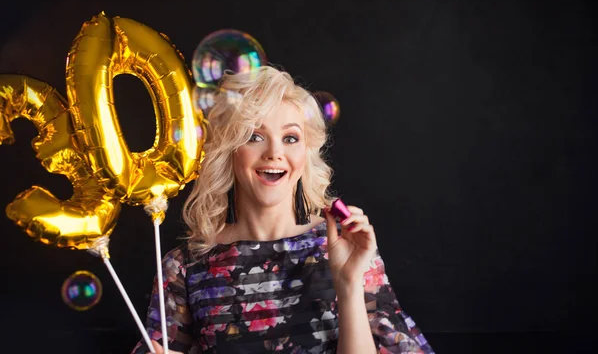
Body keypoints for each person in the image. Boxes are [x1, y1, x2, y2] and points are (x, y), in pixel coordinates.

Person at [132, 66, 434, 354]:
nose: (275, 153)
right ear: (228, 150)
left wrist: (349, 285)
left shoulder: (345, 248)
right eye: (254, 136)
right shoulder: (184, 268)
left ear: (306, 153)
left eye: (290, 138)